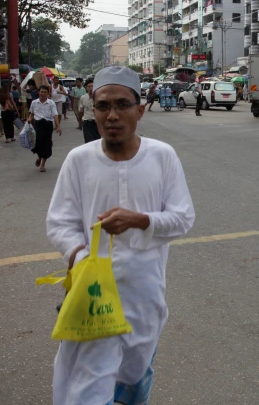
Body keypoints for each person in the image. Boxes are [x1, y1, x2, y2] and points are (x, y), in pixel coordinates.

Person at [46, 66, 194, 405]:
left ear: (140, 110)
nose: (112, 115)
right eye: (103, 106)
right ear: (91, 110)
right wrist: (82, 260)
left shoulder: (162, 156)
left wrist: (140, 220)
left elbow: (183, 218)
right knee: (89, 386)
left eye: (123, 105)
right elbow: (59, 223)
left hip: (144, 296)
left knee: (134, 380)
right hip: (94, 297)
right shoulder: (79, 160)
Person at [28, 85, 62, 172]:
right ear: (38, 92)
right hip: (38, 125)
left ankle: (43, 164)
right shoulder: (34, 102)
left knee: (47, 144)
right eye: (41, 92)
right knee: (38, 143)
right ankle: (39, 157)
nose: (43, 94)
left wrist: (58, 126)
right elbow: (32, 113)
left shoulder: (51, 103)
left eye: (45, 92)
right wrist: (29, 119)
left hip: (47, 125)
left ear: (48, 94)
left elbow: (55, 115)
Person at [79, 79, 100, 143]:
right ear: (86, 88)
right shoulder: (83, 98)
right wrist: (80, 122)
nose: (91, 88)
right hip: (87, 122)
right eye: (89, 86)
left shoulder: (99, 97)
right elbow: (81, 111)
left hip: (97, 123)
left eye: (92, 86)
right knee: (88, 141)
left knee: (97, 141)